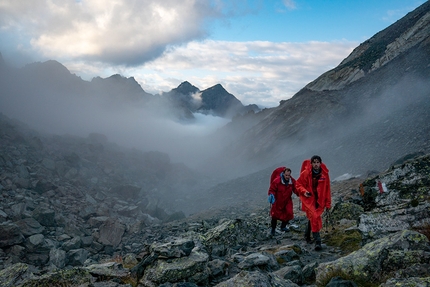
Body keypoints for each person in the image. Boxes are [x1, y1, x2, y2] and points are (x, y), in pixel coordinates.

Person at [296, 155, 331, 251]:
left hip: (319, 201)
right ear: (311, 164)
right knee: (315, 217)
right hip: (309, 200)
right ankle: (318, 242)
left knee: (312, 217)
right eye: (314, 162)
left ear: (320, 163)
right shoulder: (306, 173)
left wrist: (328, 203)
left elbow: (327, 189)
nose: (316, 164)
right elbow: (298, 184)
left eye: (317, 162)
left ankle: (307, 236)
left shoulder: (324, 174)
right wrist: (304, 191)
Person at [268, 167, 298, 236]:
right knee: (274, 215)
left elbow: (296, 188)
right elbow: (272, 189)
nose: (287, 177)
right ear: (283, 174)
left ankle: (283, 226)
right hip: (278, 200)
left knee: (289, 213)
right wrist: (271, 195)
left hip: (287, 200)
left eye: (289, 175)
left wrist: (301, 193)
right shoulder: (277, 181)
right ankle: (273, 229)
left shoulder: (291, 181)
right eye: (286, 175)